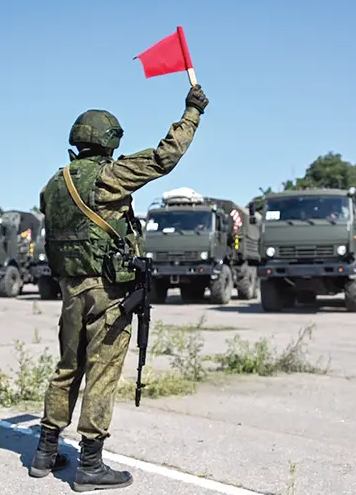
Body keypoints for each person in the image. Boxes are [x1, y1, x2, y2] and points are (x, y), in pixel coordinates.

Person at [29, 84, 209, 491]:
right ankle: (90, 466)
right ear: (109, 142)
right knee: (103, 373)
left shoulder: (53, 184)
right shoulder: (110, 176)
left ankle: (44, 453)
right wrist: (192, 112)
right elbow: (165, 157)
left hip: (69, 289)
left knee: (66, 368)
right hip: (107, 292)